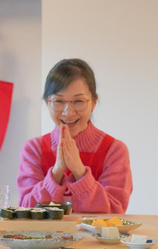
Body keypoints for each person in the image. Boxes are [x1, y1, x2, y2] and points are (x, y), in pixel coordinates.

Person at [16, 59, 132, 213]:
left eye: (78, 101)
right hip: (43, 238)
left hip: (94, 238)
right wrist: (57, 172)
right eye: (58, 101)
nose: (68, 112)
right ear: (47, 103)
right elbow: (25, 210)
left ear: (94, 102)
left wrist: (79, 171)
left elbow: (115, 210)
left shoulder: (114, 150)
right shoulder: (34, 149)